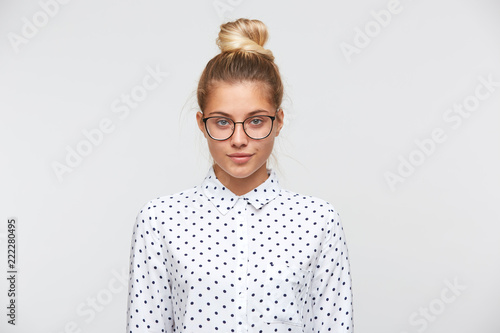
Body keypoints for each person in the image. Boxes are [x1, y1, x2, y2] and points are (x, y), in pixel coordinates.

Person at [126, 18, 353, 333]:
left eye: (256, 121)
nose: (239, 138)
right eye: (222, 122)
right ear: (201, 123)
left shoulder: (318, 220)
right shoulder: (161, 220)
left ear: (278, 121)